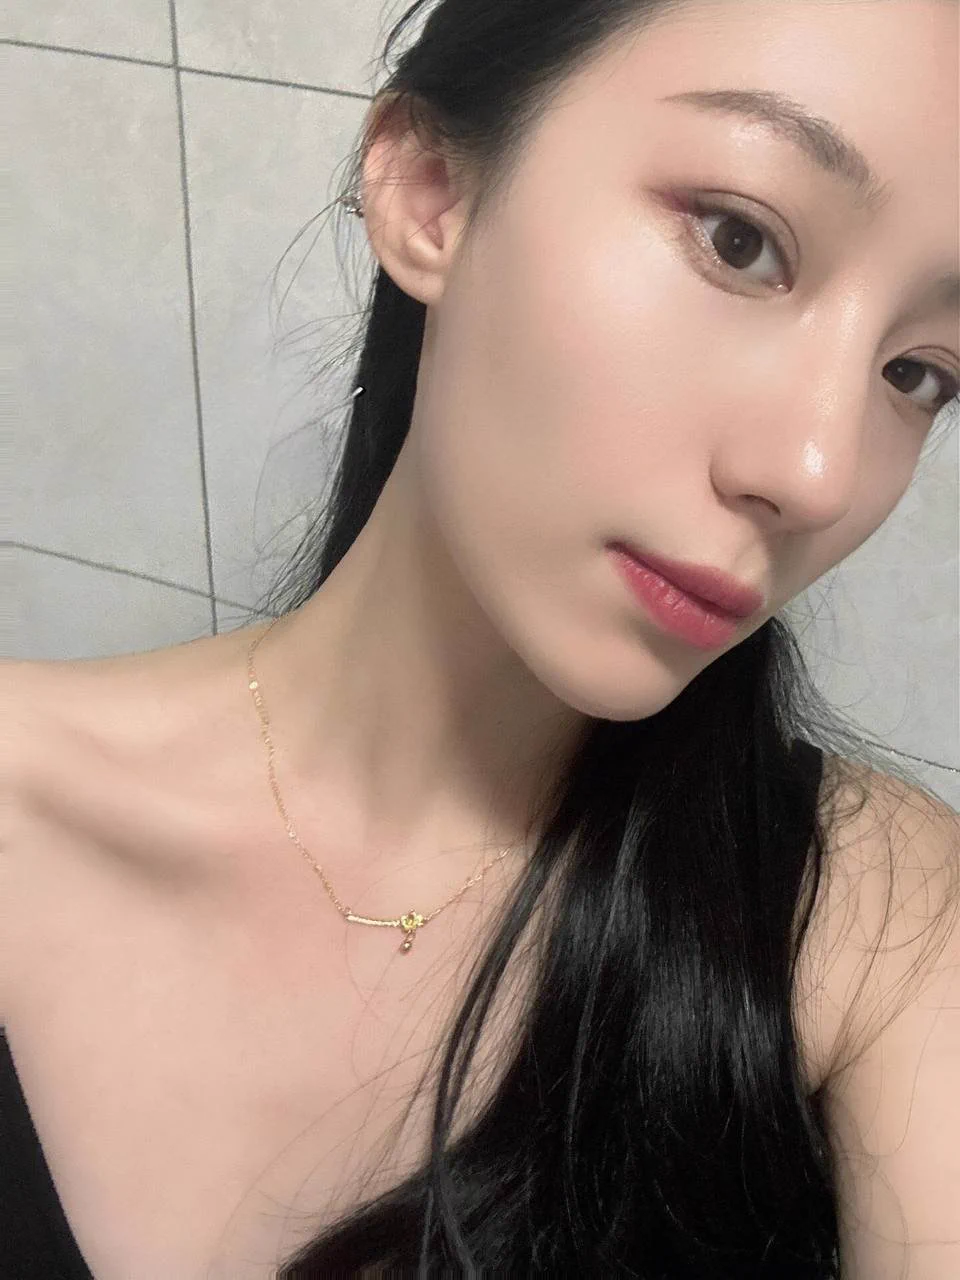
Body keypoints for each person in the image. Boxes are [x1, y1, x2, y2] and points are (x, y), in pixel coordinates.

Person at [2, 0, 959, 1275]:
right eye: (740, 240)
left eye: (919, 372)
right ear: (431, 190)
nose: (817, 472)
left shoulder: (876, 916)